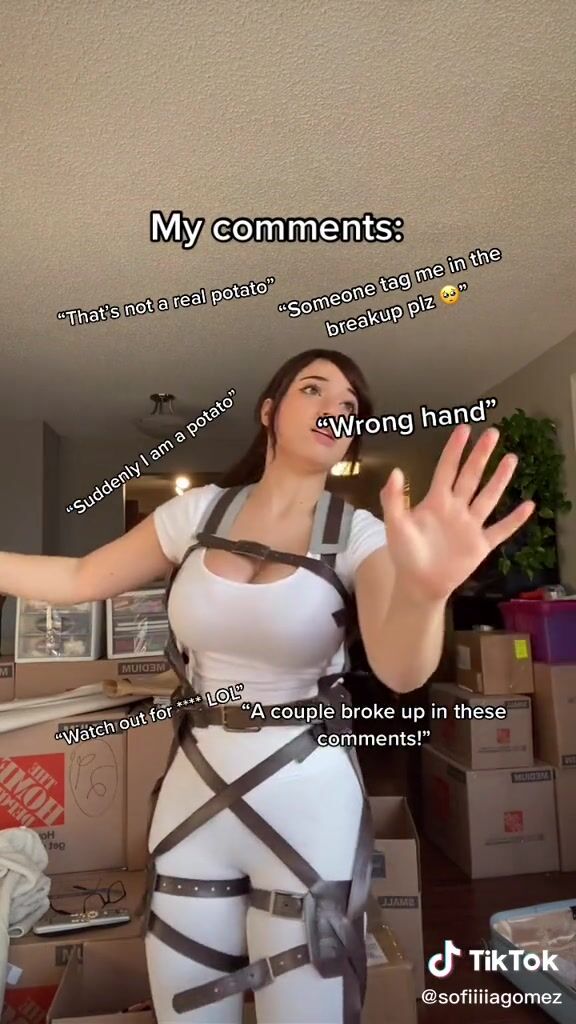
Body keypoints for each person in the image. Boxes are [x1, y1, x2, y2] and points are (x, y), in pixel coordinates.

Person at [0, 349, 534, 1023]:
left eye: (349, 404)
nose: (335, 408)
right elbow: (78, 580)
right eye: (314, 389)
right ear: (269, 411)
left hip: (309, 804)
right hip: (194, 799)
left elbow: (401, 670)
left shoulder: (359, 534)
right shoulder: (197, 514)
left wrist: (427, 594)